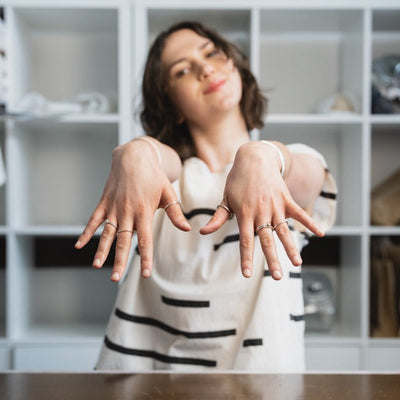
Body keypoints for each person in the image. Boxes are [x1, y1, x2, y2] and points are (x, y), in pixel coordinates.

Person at [75, 21, 337, 371]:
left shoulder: (281, 168)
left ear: (234, 66)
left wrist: (262, 156)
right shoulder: (167, 181)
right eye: (182, 70)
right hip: (152, 385)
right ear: (173, 106)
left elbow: (310, 176)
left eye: (211, 53)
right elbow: (158, 160)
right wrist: (136, 153)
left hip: (259, 386)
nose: (204, 68)